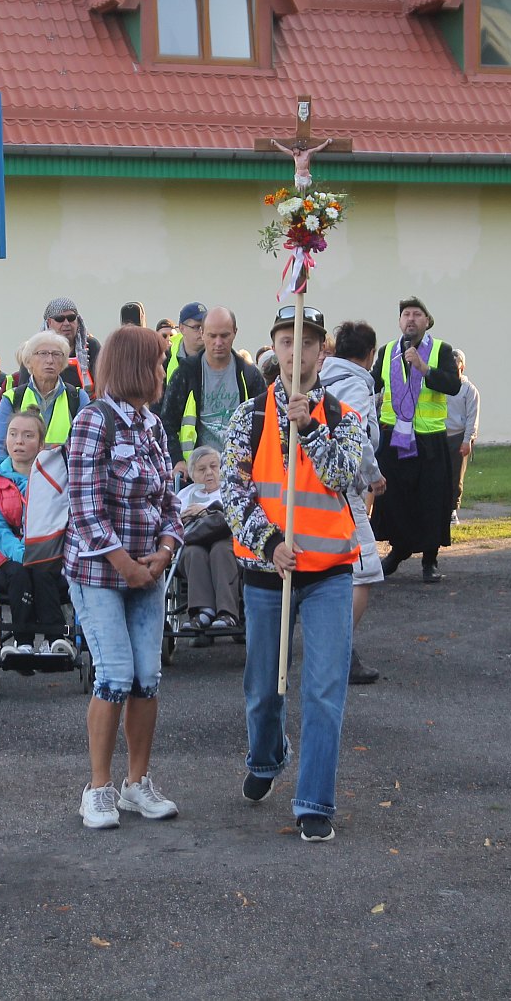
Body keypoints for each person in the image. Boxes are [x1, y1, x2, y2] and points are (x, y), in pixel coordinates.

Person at [222, 303, 363, 842]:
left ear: (321, 350)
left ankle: (313, 803)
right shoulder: (249, 416)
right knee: (263, 690)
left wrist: (309, 430)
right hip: (266, 573)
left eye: (306, 341)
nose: (295, 351)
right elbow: (232, 492)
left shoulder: (343, 417)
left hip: (328, 573)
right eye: (286, 340)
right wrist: (270, 543)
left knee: (324, 691)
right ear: (273, 348)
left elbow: (345, 476)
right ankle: (265, 757)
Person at [65, 325, 183, 830]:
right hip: (99, 572)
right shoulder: (93, 422)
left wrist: (164, 549)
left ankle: (137, 785)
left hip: (147, 572)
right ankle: (97, 789)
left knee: (146, 678)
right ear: (136, 366)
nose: (163, 371)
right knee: (113, 674)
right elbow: (85, 507)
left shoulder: (152, 426)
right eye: (158, 362)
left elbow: (170, 501)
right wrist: (127, 565)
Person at [371, 297, 461, 583]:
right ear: (399, 322)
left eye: (416, 314)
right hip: (394, 437)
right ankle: (398, 551)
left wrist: (424, 368)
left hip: (429, 438)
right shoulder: (387, 352)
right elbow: (371, 382)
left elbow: (453, 385)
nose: (410, 319)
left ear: (427, 321)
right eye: (405, 314)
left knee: (431, 499)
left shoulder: (441, 350)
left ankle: (430, 559)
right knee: (396, 498)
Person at [318, 320, 387, 685]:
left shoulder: (323, 376)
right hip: (345, 487)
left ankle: (333, 648)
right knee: (365, 571)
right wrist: (373, 474)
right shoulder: (356, 383)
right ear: (370, 354)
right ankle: (339, 652)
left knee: (332, 569)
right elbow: (355, 432)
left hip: (319, 484)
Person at [0, 408, 74, 659]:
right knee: (22, 571)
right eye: (13, 434)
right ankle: (22, 643)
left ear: (41, 443)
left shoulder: (54, 480)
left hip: (47, 554)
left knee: (42, 569)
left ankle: (55, 639)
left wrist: (39, 549)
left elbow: (61, 520)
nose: (19, 442)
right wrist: (19, 550)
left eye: (27, 436)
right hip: (8, 557)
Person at [161, 306, 264, 481]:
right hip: (196, 476)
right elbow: (167, 422)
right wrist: (177, 460)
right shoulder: (186, 374)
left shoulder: (250, 375)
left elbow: (266, 425)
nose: (218, 342)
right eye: (212, 336)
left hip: (241, 475)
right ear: (202, 333)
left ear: (235, 333)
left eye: (224, 336)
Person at [0, 330, 86, 465]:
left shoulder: (77, 397)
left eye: (57, 354)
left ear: (63, 363)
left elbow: (85, 445)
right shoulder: (13, 397)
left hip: (62, 480)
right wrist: (5, 479)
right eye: (43, 354)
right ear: (29, 361)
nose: (50, 360)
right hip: (19, 481)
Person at [174, 446, 241, 631]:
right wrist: (184, 518)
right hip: (192, 542)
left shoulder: (230, 490)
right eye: (202, 469)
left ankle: (227, 612)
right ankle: (203, 611)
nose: (209, 473)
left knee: (221, 550)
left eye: (214, 466)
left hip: (225, 539)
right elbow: (169, 521)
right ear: (193, 474)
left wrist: (206, 511)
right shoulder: (184, 495)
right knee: (194, 553)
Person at [14, 298, 99, 396]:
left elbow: (104, 381)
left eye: (71, 318)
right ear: (49, 322)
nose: (66, 323)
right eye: (60, 319)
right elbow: (24, 390)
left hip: (86, 405)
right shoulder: (34, 349)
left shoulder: (90, 346)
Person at [446, 350, 480, 525]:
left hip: (458, 437)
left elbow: (472, 417)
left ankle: (452, 510)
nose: (453, 364)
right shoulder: (440, 386)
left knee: (455, 477)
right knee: (438, 475)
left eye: (456, 361)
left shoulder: (469, 390)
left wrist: (467, 440)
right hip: (439, 435)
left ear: (462, 366)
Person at [164, 302, 206, 382]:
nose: (202, 331)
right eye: (196, 327)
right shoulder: (167, 356)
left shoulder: (218, 354)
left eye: (204, 326)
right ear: (182, 328)